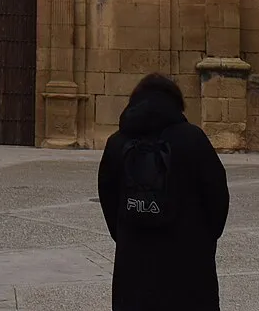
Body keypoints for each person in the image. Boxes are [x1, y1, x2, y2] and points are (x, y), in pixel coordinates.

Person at [97, 73, 230, 310]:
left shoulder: (116, 143)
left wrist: (127, 231)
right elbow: (217, 195)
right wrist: (205, 237)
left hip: (134, 260)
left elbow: (108, 198)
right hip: (189, 260)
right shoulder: (193, 139)